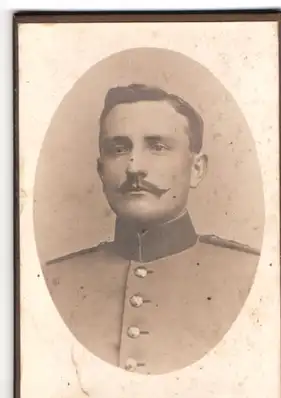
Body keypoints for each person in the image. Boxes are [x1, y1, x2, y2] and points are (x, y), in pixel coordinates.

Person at [43, 83, 260, 375]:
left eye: (157, 147)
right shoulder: (54, 282)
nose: (134, 167)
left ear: (196, 169)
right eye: (118, 149)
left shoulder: (251, 276)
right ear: (101, 170)